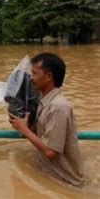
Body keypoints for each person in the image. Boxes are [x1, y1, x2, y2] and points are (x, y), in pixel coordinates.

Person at [9, 52, 85, 187]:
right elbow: (42, 133)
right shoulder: (44, 103)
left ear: (49, 76)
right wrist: (21, 121)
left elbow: (50, 152)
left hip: (66, 181)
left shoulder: (58, 107)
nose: (31, 78)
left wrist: (24, 130)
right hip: (49, 175)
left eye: (35, 73)